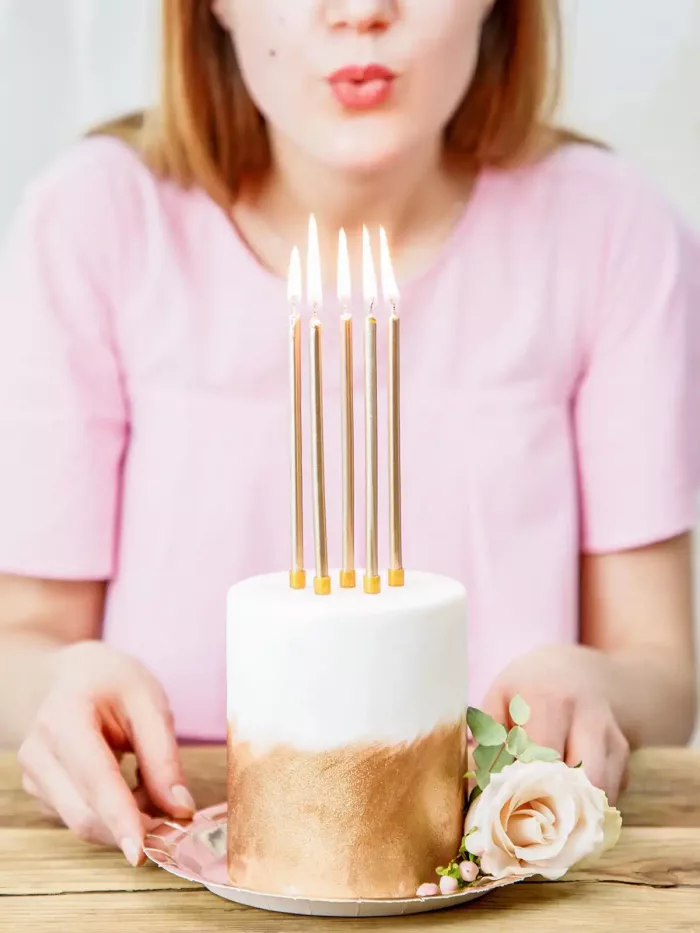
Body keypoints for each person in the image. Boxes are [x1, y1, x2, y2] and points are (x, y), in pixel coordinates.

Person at [0, 0, 697, 869]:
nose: (362, 11)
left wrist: (600, 686)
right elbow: (21, 642)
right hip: (155, 865)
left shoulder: (611, 229)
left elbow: (662, 673)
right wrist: (55, 688)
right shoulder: (93, 219)